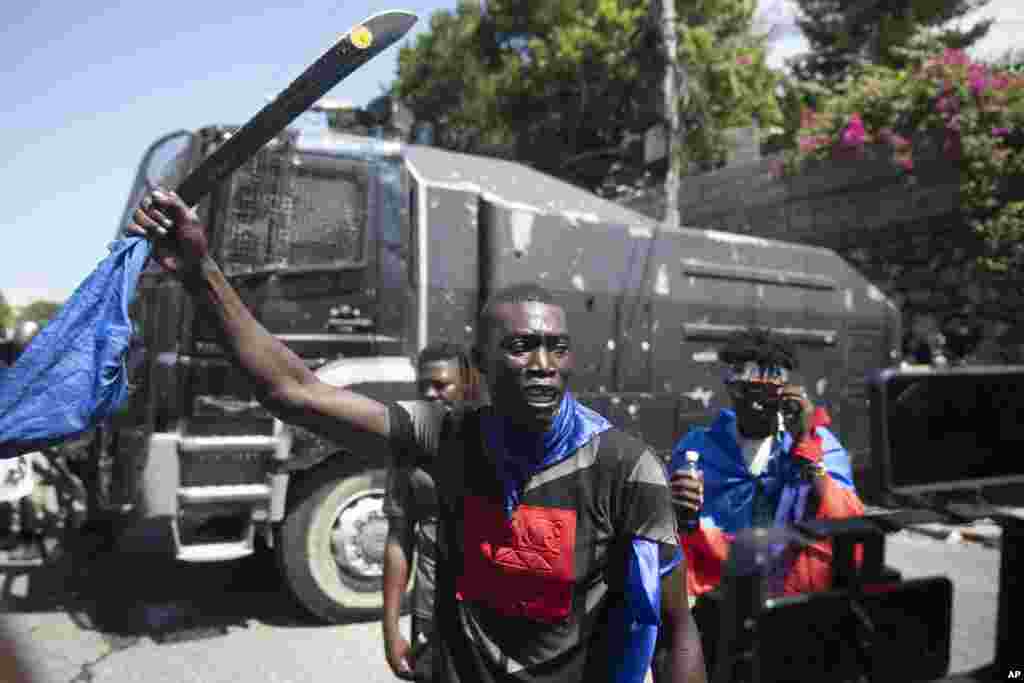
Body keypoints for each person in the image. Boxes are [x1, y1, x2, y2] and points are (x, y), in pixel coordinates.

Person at [127, 189, 706, 683]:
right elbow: (293, 392)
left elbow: (674, 629)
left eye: (556, 347)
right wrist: (202, 274)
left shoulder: (627, 469)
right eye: (521, 346)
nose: (542, 362)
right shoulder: (445, 435)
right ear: (478, 366)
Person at [667, 329, 863, 664]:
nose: (757, 402)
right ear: (730, 388)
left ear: (786, 392)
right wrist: (677, 513)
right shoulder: (697, 449)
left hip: (795, 607)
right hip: (719, 605)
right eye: (745, 390)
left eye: (768, 392)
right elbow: (673, 540)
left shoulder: (817, 443)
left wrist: (810, 457)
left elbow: (851, 521)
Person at [382, 342, 482, 680]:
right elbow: (399, 538)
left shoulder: (494, 442)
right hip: (430, 616)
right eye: (422, 386)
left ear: (467, 385)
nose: (430, 394)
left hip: (490, 618)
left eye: (441, 385)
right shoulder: (408, 451)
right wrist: (391, 627)